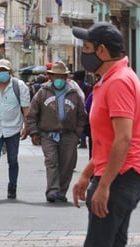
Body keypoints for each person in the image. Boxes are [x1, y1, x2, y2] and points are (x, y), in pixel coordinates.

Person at [72, 22, 140, 247]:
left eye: (86, 48)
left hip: (120, 177)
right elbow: (108, 141)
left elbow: (123, 139)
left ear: (101, 50)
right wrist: (87, 174)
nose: (83, 54)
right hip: (118, 175)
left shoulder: (119, 82)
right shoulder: (110, 80)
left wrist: (104, 186)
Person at [27, 61, 87, 203]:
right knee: (51, 161)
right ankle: (52, 191)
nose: (59, 79)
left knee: (68, 164)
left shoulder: (74, 93)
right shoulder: (42, 92)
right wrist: (34, 132)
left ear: (66, 77)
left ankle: (61, 191)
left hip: (69, 134)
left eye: (62, 76)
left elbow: (81, 114)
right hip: (48, 134)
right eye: (56, 76)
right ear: (51, 77)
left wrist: (77, 133)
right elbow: (32, 114)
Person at [0, 58, 30, 199]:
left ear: (10, 71)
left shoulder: (19, 86)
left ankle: (12, 187)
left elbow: (25, 108)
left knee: (12, 160)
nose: (1, 73)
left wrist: (26, 127)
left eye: (4, 70)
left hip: (13, 128)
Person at [72, 70, 92, 148]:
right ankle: (82, 141)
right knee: (83, 124)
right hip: (85, 106)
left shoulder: (77, 86)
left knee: (81, 124)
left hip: (81, 106)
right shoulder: (88, 86)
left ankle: (82, 141)